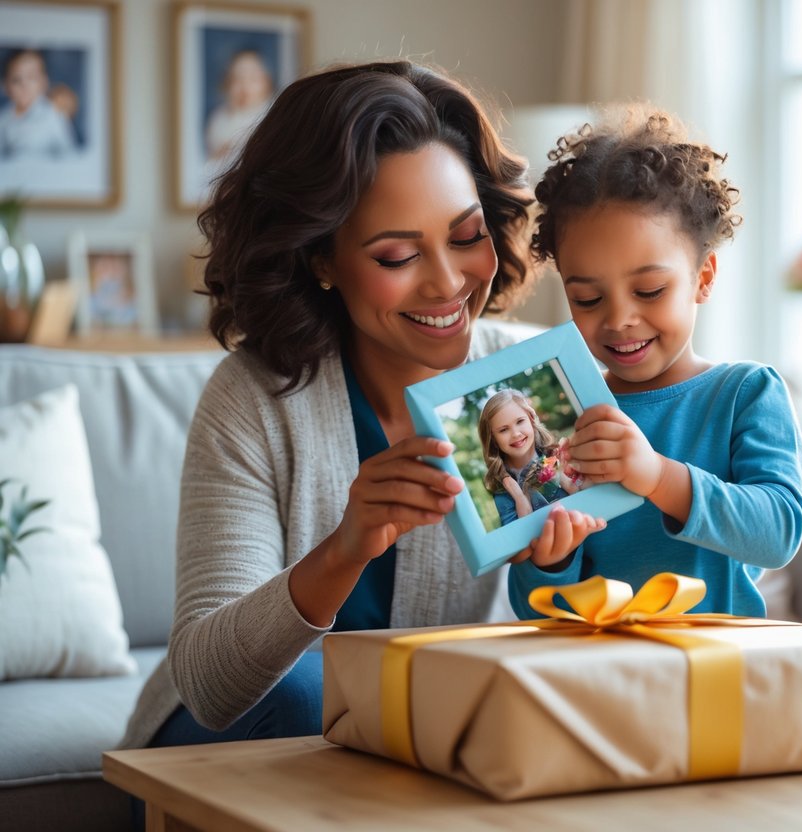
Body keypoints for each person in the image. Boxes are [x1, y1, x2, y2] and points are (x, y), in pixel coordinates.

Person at [118, 60, 604, 758]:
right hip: (227, 742)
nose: (446, 283)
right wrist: (344, 550)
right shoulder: (255, 398)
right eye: (398, 254)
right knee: (310, 694)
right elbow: (210, 683)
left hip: (426, 740)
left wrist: (560, 564)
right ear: (321, 260)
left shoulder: (539, 375)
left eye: (466, 237)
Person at [508, 109, 802, 618]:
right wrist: (550, 563)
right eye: (586, 299)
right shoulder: (569, 414)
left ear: (703, 278)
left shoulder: (745, 393)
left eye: (649, 290)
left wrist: (657, 476)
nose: (619, 319)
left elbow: (778, 533)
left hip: (716, 672)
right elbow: (539, 613)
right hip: (602, 680)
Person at [478, 388, 581, 527]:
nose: (515, 434)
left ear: (531, 420)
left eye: (520, 421)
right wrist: (520, 498)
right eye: (503, 430)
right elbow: (522, 538)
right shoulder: (504, 491)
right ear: (494, 439)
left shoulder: (556, 457)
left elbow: (585, 498)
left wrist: (560, 474)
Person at [0, 49, 77, 160]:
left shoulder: (55, 115)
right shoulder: (3, 119)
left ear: (44, 82)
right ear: (5, 86)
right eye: (16, 80)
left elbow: (70, 155)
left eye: (31, 78)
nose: (24, 85)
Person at [204, 49, 274, 163]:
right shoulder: (218, 119)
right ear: (226, 84)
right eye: (237, 79)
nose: (245, 87)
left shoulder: (273, 116)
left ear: (266, 82)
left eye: (253, 79)